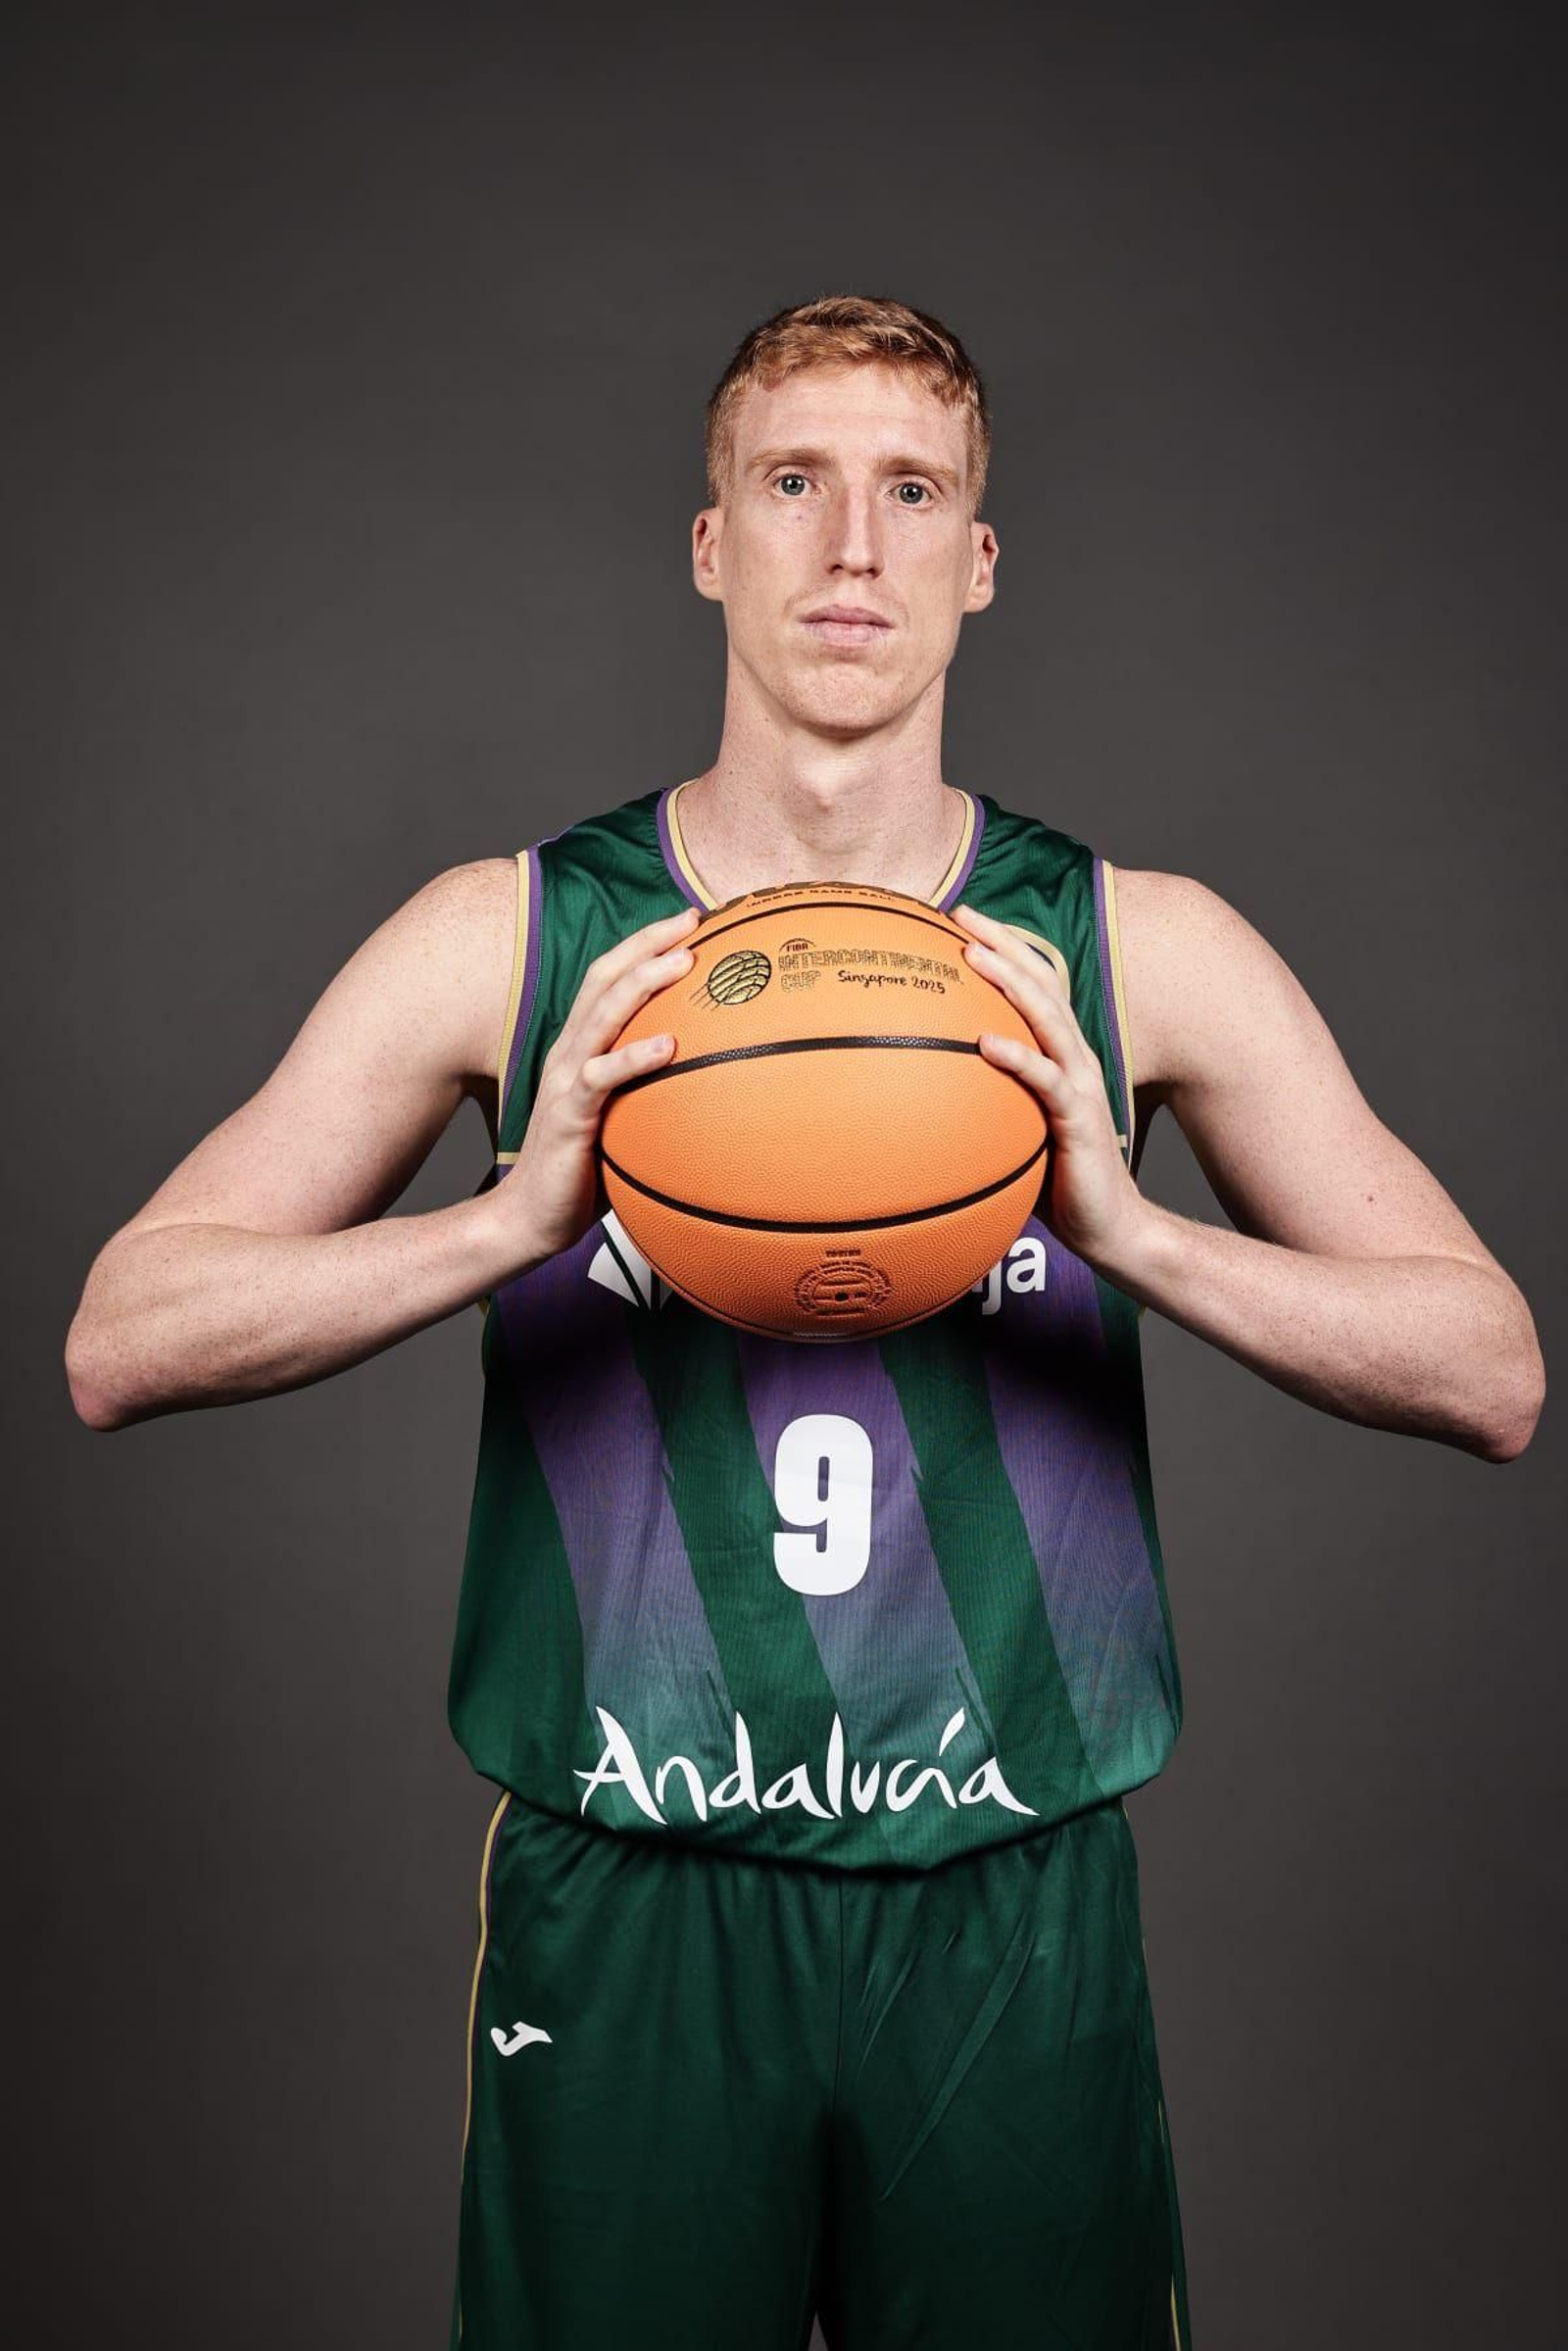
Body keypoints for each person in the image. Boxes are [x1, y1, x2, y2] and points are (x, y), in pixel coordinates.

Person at [65, 294, 1544, 2351]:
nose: (851, 546)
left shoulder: (1126, 949)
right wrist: (509, 1221)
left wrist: (1131, 1230)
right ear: (709, 541)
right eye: (793, 484)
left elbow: (1488, 1372)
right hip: (630, 1883)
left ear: (978, 561)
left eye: (909, 492)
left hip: (1007, 1895)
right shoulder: (518, 938)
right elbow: (121, 1333)